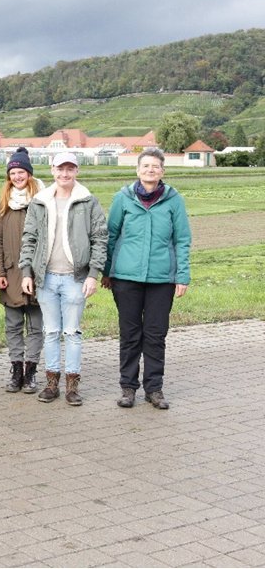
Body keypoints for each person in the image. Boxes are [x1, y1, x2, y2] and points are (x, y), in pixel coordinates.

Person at [102, 148, 191, 410]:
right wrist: (107, 271)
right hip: (126, 278)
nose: (150, 170)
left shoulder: (174, 200)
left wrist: (182, 276)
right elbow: (111, 235)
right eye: (146, 166)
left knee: (155, 335)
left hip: (162, 280)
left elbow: (182, 240)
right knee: (130, 335)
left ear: (163, 171)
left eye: (155, 166)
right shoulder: (123, 198)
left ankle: (154, 389)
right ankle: (128, 388)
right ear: (137, 170)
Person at [19, 152, 107, 406]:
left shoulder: (88, 201)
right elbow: (29, 239)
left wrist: (93, 275)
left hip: (75, 278)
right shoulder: (40, 202)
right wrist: (27, 272)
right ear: (52, 170)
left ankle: (72, 386)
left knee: (72, 332)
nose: (65, 174)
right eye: (60, 169)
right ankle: (51, 383)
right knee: (50, 331)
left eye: (70, 169)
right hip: (46, 278)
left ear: (77, 171)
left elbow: (100, 239)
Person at [0, 147, 44, 394]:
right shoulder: (4, 205)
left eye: (22, 172)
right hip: (10, 274)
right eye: (13, 172)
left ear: (29, 174)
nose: (18, 177)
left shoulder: (43, 201)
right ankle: (16, 370)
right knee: (12, 325)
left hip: (37, 274)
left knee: (35, 325)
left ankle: (31, 372)